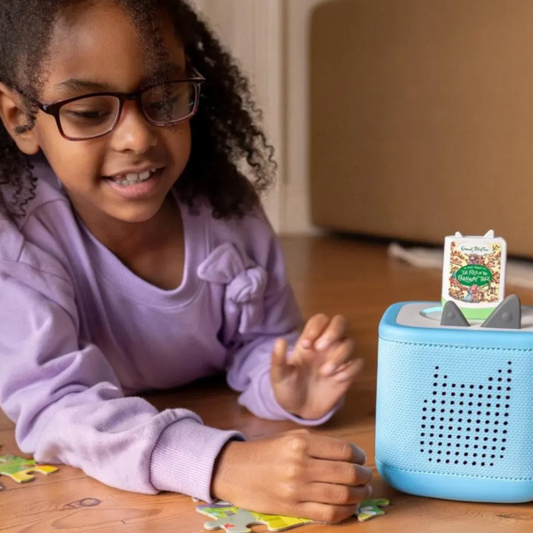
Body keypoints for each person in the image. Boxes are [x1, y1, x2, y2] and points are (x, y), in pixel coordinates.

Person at [0, 0, 372, 523]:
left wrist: (284, 385)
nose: (137, 138)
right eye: (88, 111)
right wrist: (223, 463)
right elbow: (56, 404)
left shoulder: (226, 208)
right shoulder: (17, 241)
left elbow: (261, 339)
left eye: (166, 97)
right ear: (20, 120)